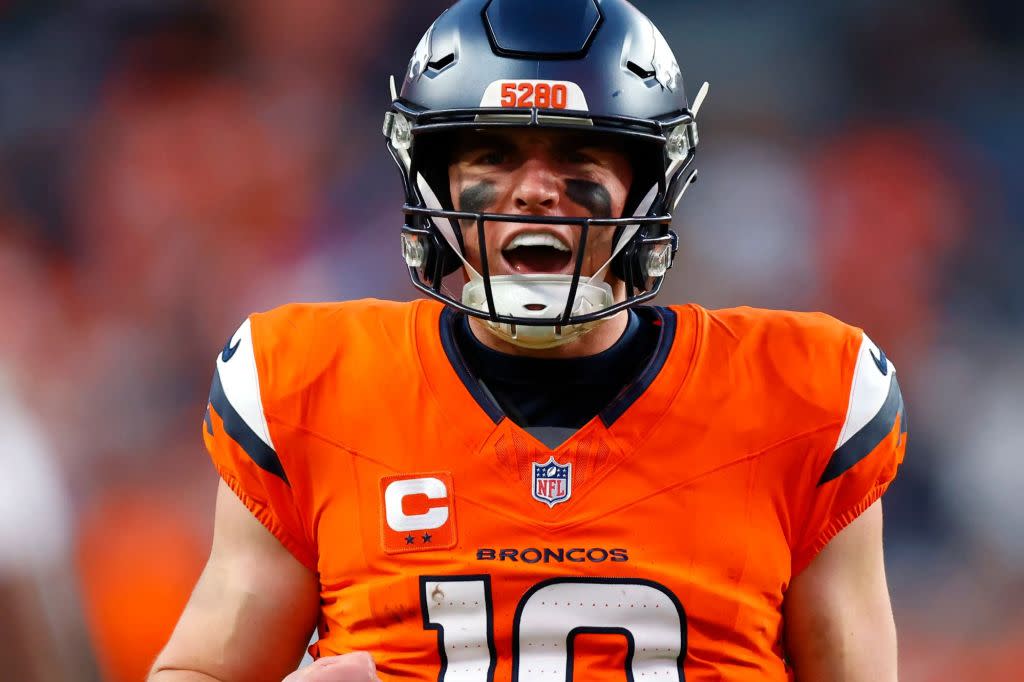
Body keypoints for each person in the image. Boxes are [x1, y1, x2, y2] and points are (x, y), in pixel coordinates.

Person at [150, 1, 906, 680]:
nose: (536, 189)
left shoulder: (801, 397)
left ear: (649, 182)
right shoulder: (312, 384)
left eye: (578, 155)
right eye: (493, 154)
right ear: (433, 179)